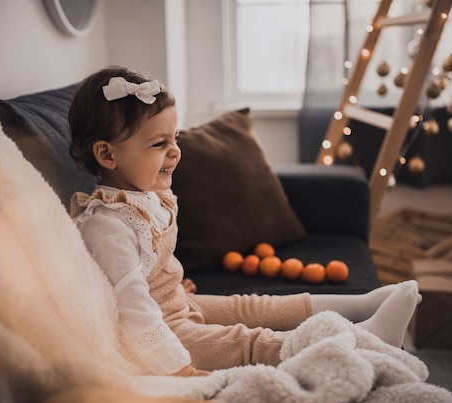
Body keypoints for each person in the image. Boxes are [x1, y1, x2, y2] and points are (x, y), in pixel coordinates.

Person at [68, 65, 421, 378]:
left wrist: (170, 282)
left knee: (251, 306)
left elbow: (148, 264)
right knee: (244, 342)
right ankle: (365, 343)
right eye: (159, 143)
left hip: (176, 302)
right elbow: (134, 311)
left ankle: (361, 304)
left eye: (174, 138)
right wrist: (177, 367)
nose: (175, 151)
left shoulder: (144, 195)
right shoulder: (107, 224)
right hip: (164, 330)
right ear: (108, 154)